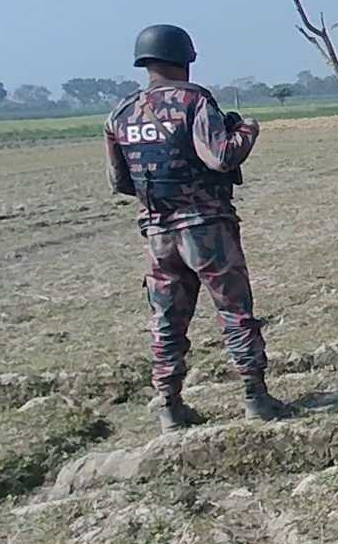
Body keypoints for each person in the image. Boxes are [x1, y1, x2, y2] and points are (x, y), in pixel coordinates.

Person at [105, 24, 291, 431]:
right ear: (184, 59)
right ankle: (255, 398)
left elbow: (119, 181)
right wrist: (247, 130)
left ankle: (169, 406)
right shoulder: (194, 101)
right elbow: (220, 157)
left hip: (157, 233)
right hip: (206, 229)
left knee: (167, 321)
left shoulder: (120, 113)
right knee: (235, 312)